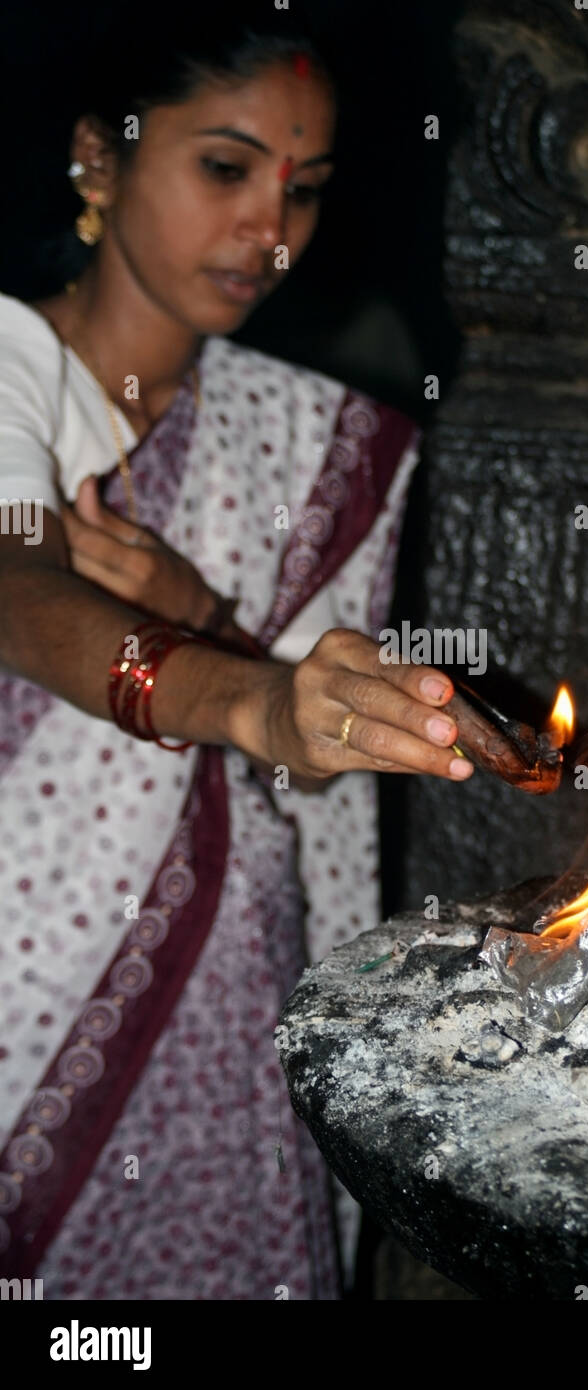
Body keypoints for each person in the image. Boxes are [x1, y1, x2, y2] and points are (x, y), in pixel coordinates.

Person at [0, 12, 472, 1300]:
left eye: (303, 190)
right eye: (226, 167)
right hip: (21, 994)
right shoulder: (8, 370)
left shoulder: (318, 447)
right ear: (99, 157)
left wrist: (220, 619)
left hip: (222, 1019)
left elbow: (317, 784)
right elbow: (18, 586)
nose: (271, 230)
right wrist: (251, 690)